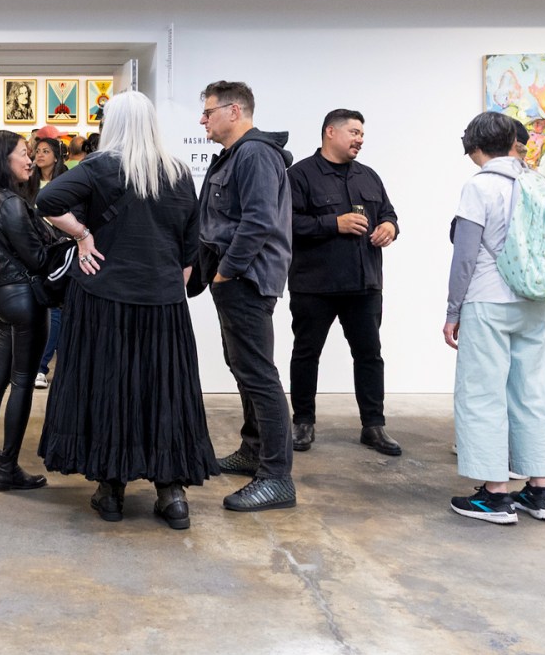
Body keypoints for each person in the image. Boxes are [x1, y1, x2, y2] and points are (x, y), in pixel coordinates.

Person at [37, 91, 216, 530]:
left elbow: (46, 202)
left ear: (112, 123)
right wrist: (168, 283)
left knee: (110, 388)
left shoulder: (98, 168)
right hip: (163, 303)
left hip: (104, 300)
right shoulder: (177, 172)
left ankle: (111, 490)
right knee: (165, 392)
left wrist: (82, 236)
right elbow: (189, 248)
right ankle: (171, 493)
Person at [444, 112, 545, 525]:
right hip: (533, 300)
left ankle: (495, 496)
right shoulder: (537, 182)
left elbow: (465, 256)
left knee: (482, 395)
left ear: (475, 147)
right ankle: (540, 492)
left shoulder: (480, 186)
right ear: (512, 140)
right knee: (530, 393)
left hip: (488, 301)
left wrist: (452, 310)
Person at [195, 80, 297, 513]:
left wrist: (225, 272)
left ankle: (276, 478)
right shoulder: (239, 155)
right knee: (243, 368)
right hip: (239, 279)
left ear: (234, 111)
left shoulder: (254, 154)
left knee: (258, 374)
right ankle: (253, 449)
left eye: (209, 111)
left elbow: (257, 221)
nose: (203, 118)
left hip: (247, 280)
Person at [286, 109, 403, 456]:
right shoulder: (300, 175)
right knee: (306, 354)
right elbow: (287, 222)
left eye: (362, 134)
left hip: (364, 285)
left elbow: (389, 212)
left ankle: (374, 426)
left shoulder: (369, 176)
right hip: (314, 285)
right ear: (330, 132)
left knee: (370, 355)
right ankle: (303, 423)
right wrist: (331, 224)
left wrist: (390, 228)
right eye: (354, 132)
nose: (360, 140)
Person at [0, 131, 54, 492]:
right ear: (5, 159)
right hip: (24, 298)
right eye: (24, 153)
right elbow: (35, 257)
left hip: (0, 299)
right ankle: (8, 467)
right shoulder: (11, 203)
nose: (30, 159)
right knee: (21, 381)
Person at [29, 136, 66, 389]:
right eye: (37, 151)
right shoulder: (28, 183)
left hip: (60, 248)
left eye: (45, 151)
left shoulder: (65, 181)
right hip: (35, 250)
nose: (39, 155)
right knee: (45, 309)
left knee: (56, 310)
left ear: (56, 155)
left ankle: (42, 367)